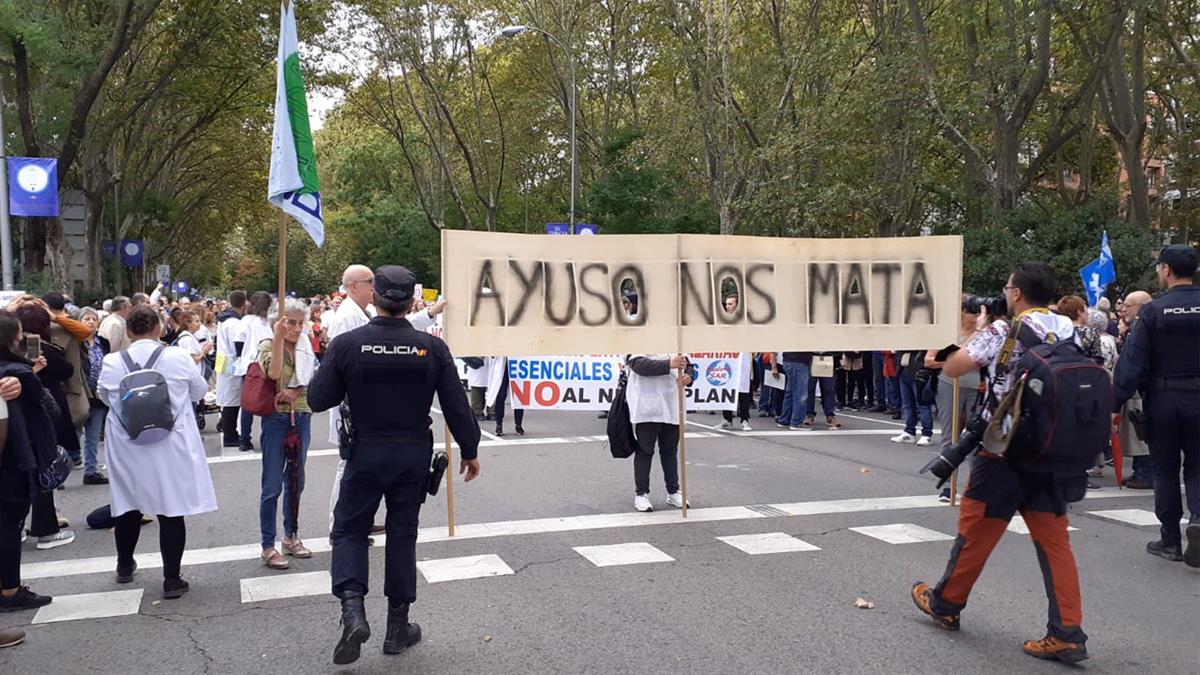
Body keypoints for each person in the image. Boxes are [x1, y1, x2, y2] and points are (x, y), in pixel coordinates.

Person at [912, 262, 1091, 664]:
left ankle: (946, 604)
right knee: (1055, 542)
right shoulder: (1068, 329)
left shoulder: (1000, 330)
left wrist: (976, 329)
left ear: (1016, 294)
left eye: (1008, 288)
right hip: (1050, 448)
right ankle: (1067, 632)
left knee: (976, 532)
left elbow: (954, 366)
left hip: (1002, 447)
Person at [308, 265, 480, 665]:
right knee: (403, 534)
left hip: (365, 452)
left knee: (349, 530)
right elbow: (456, 405)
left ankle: (353, 611)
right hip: (411, 454)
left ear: (376, 297)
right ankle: (397, 627)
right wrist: (470, 449)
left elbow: (318, 398)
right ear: (410, 302)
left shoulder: (348, 344)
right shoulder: (431, 348)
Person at [98, 306, 216, 600]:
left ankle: (125, 565)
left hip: (127, 442)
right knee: (170, 508)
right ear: (159, 328)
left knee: (128, 503)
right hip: (170, 441)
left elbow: (105, 397)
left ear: (128, 331)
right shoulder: (177, 357)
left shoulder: (112, 362)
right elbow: (199, 391)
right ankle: (172, 578)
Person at [1112, 245, 1200, 567]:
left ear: (1166, 270)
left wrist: (1116, 401)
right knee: (1198, 466)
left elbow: (1132, 362)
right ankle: (1198, 521)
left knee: (1164, 468)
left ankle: (1170, 540)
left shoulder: (1153, 311)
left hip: (1164, 400)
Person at [0, 311, 57, 615]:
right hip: (15, 461)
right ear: (12, 338)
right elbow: (50, 410)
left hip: (13, 459)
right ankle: (10, 590)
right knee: (10, 525)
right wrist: (32, 376)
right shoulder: (18, 375)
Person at [257, 299, 316, 570]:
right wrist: (279, 338)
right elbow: (274, 373)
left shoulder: (305, 346)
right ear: (278, 322)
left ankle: (291, 535)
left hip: (302, 415)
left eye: (300, 323)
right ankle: (267, 545)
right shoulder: (268, 345)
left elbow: (313, 378)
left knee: (296, 480)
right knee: (272, 484)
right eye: (291, 322)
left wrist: (296, 390)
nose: (296, 328)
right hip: (276, 418)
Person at [14, 305, 76, 550]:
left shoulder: (12, 356)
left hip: (14, 424)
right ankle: (45, 530)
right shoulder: (43, 351)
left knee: (17, 477)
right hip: (37, 421)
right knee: (43, 473)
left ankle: (16, 526)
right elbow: (65, 370)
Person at [626, 353, 693, 512]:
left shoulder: (676, 343)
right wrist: (669, 364)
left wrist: (689, 376)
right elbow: (639, 365)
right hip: (647, 406)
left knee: (670, 450)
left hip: (672, 403)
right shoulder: (637, 342)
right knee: (645, 450)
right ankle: (641, 493)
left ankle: (673, 491)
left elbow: (687, 365)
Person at [1115, 290, 1154, 488]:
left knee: (1141, 431)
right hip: (1148, 388)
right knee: (1138, 429)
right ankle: (1141, 470)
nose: (1123, 310)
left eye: (1127, 306)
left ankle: (1145, 473)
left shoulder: (1143, 327)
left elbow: (1133, 363)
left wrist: (1117, 397)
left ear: (1140, 306)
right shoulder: (1141, 326)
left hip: (1144, 388)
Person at [236, 292, 274, 452]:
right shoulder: (272, 321)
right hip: (269, 363)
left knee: (248, 402)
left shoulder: (247, 321)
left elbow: (238, 342)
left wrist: (242, 356)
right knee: (269, 400)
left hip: (250, 364)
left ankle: (244, 438)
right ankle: (268, 437)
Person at [78, 308, 110, 485]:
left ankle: (90, 471)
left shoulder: (103, 342)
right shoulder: (76, 342)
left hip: (98, 395)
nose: (91, 322)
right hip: (82, 393)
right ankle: (58, 471)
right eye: (86, 319)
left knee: (93, 434)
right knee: (74, 434)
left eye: (94, 319)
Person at [215, 291, 247, 449]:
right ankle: (230, 435)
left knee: (228, 399)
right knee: (232, 401)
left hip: (224, 360)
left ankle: (230, 431)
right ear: (244, 304)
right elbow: (237, 344)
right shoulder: (234, 323)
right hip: (231, 363)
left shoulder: (223, 320)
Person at [803, 352, 841, 430]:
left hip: (828, 357)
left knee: (829, 389)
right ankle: (809, 414)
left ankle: (830, 415)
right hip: (812, 357)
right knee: (810, 389)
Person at [775, 352, 812, 430]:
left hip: (788, 360)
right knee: (800, 394)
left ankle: (785, 420)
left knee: (790, 392)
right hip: (799, 361)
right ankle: (797, 422)